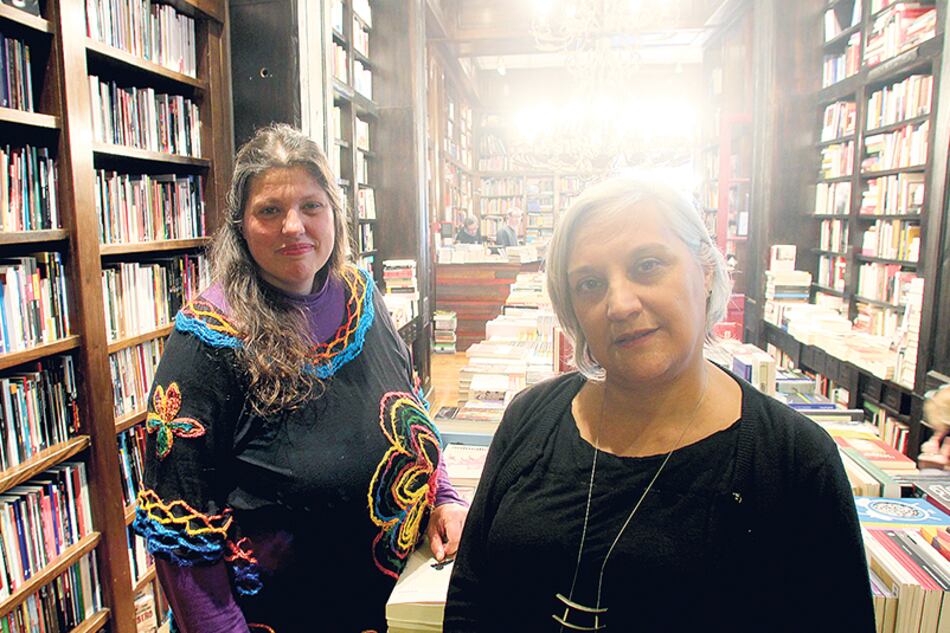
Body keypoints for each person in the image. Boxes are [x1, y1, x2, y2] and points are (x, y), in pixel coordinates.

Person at [444, 176, 874, 632]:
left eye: (647, 265)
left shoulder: (794, 460)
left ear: (706, 270)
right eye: (590, 283)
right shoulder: (529, 418)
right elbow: (471, 594)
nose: (620, 304)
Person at [133, 123, 468, 633]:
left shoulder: (362, 295)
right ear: (240, 226)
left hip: (402, 602)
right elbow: (181, 542)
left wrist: (445, 497)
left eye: (311, 206)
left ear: (334, 213)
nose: (294, 226)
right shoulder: (206, 342)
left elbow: (411, 417)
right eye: (270, 210)